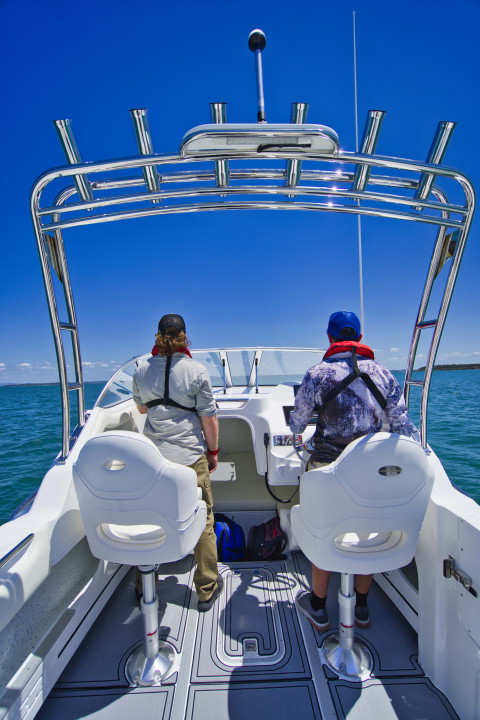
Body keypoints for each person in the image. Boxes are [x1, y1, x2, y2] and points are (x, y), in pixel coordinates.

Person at [289, 310, 417, 631]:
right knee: (366, 530)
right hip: (370, 473)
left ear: (330, 338)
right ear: (359, 338)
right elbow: (403, 426)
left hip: (327, 470)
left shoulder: (317, 374)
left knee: (324, 529)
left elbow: (298, 422)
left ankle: (319, 606)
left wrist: (299, 428)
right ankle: (361, 606)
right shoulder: (385, 374)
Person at [132, 313, 223, 612]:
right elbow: (208, 419)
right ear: (185, 336)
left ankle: (142, 583)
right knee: (204, 518)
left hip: (154, 460)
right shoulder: (197, 370)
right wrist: (213, 452)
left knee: (151, 518)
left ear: (157, 335)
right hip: (189, 458)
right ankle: (207, 588)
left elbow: (143, 409)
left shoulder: (141, 370)